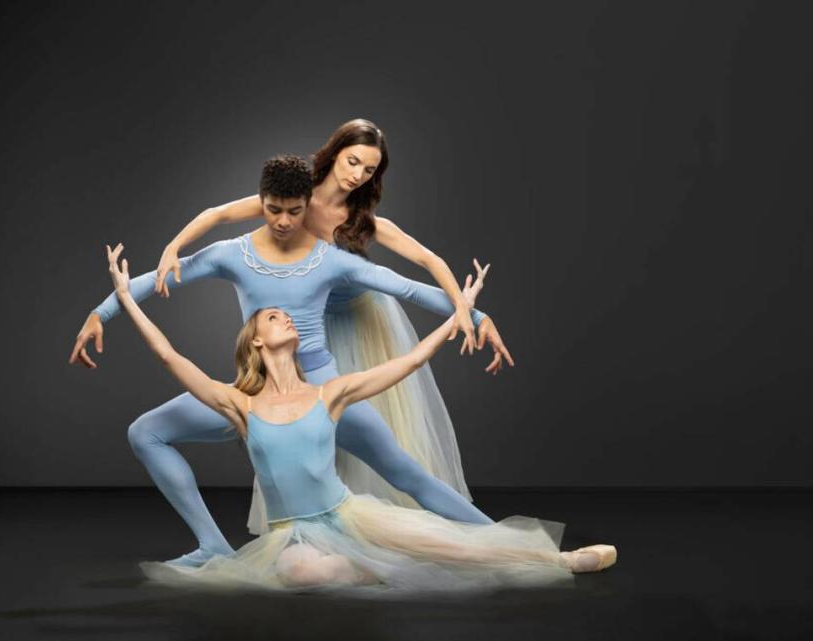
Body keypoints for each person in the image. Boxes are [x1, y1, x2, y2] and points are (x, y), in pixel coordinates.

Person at [103, 243, 616, 593]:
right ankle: (387, 563)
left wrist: (464, 313)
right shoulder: (240, 404)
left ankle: (559, 561)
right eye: (270, 315)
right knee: (305, 576)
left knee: (450, 545)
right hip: (293, 534)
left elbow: (408, 363)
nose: (282, 313)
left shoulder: (331, 393)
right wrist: (124, 299)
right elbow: (170, 357)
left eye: (286, 314)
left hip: (349, 515)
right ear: (256, 339)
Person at [70, 155, 496, 567]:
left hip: (322, 393)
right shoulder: (231, 254)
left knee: (408, 474)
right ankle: (213, 544)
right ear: (261, 202)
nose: (284, 221)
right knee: (146, 432)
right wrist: (100, 313)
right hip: (256, 396)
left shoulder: (330, 259)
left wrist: (476, 315)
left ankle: (505, 546)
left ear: (307, 205)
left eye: (294, 211)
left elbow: (408, 288)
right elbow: (157, 277)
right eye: (273, 210)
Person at [149, 119, 514, 531]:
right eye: (352, 161)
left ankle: (393, 528)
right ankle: (317, 531)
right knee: (305, 432)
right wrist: (173, 247)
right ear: (334, 153)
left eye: (369, 170)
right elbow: (216, 215)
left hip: (359, 315)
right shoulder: (293, 198)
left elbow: (418, 274)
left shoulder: (362, 219)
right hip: (304, 324)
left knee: (377, 446)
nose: (357, 175)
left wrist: (474, 315)